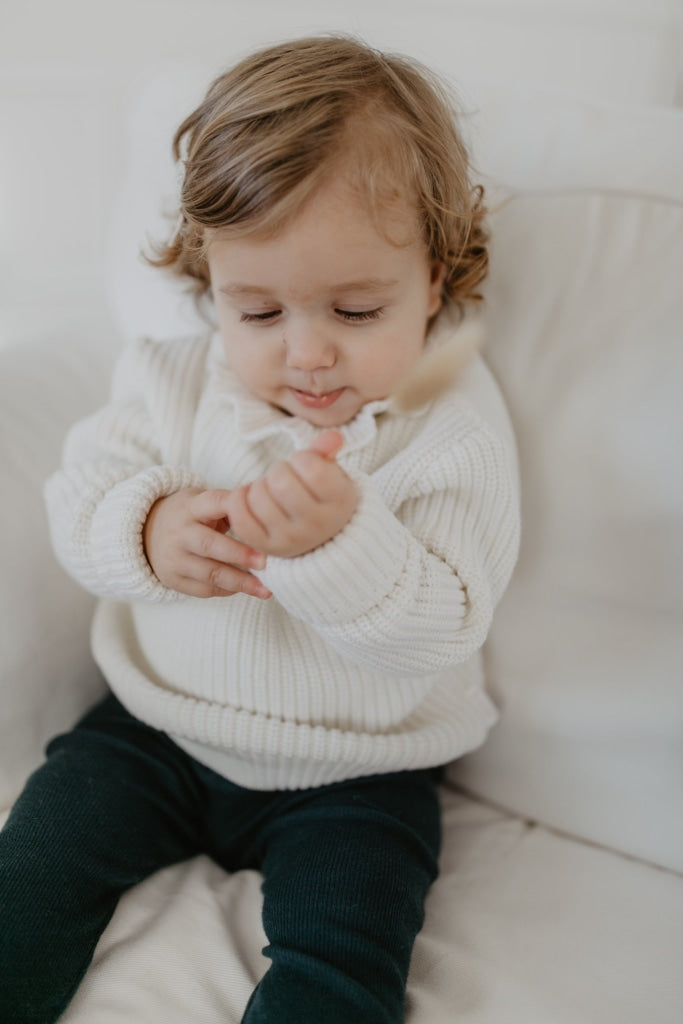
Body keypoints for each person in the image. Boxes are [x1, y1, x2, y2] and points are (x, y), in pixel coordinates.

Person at [0, 35, 519, 1024]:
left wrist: (340, 545)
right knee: (25, 883)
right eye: (258, 309)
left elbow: (449, 619)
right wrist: (146, 530)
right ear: (211, 281)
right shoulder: (171, 378)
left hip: (360, 768)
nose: (308, 353)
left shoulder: (449, 426)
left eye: (356, 309)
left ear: (437, 278)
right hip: (156, 729)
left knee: (340, 969)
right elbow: (78, 493)